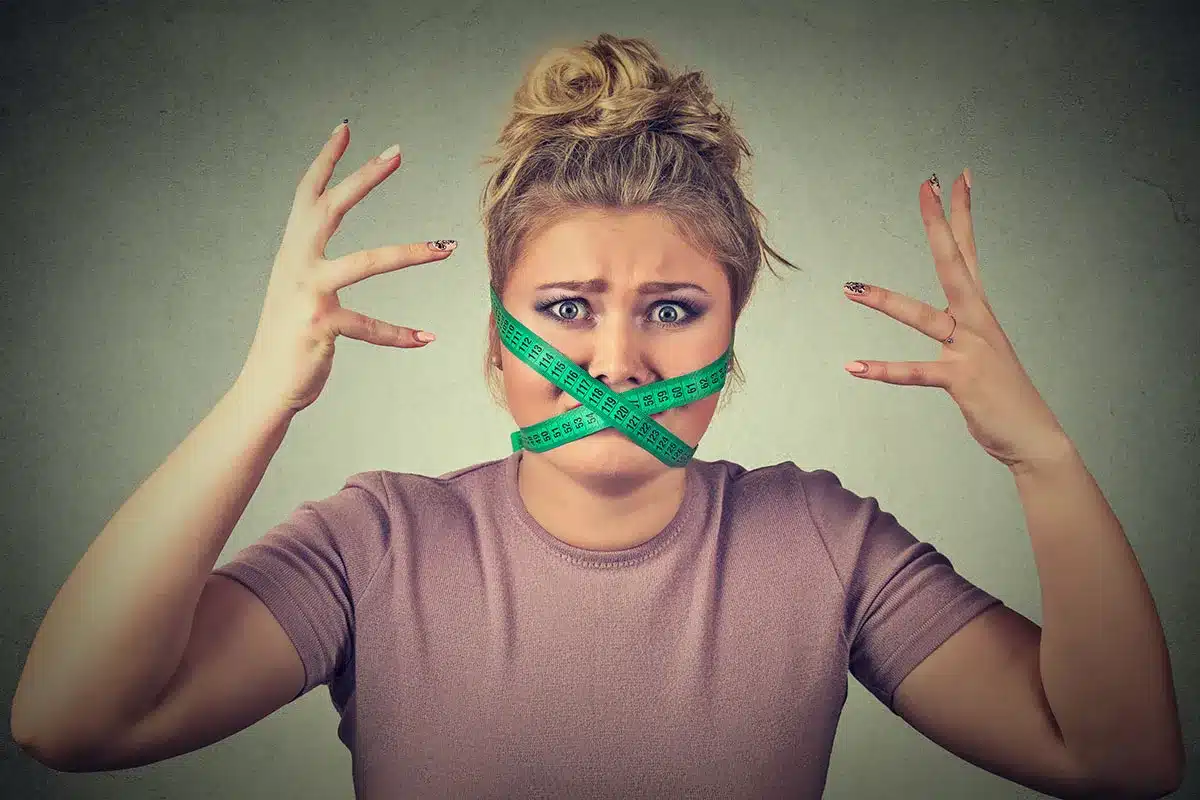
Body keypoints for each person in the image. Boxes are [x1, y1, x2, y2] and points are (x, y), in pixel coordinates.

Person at [12, 33, 1178, 800]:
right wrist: (258, 392)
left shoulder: (822, 543)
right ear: (496, 328)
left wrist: (1046, 457)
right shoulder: (378, 547)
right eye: (566, 306)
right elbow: (71, 721)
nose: (616, 362)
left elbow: (1119, 759)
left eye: (672, 308)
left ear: (731, 335)